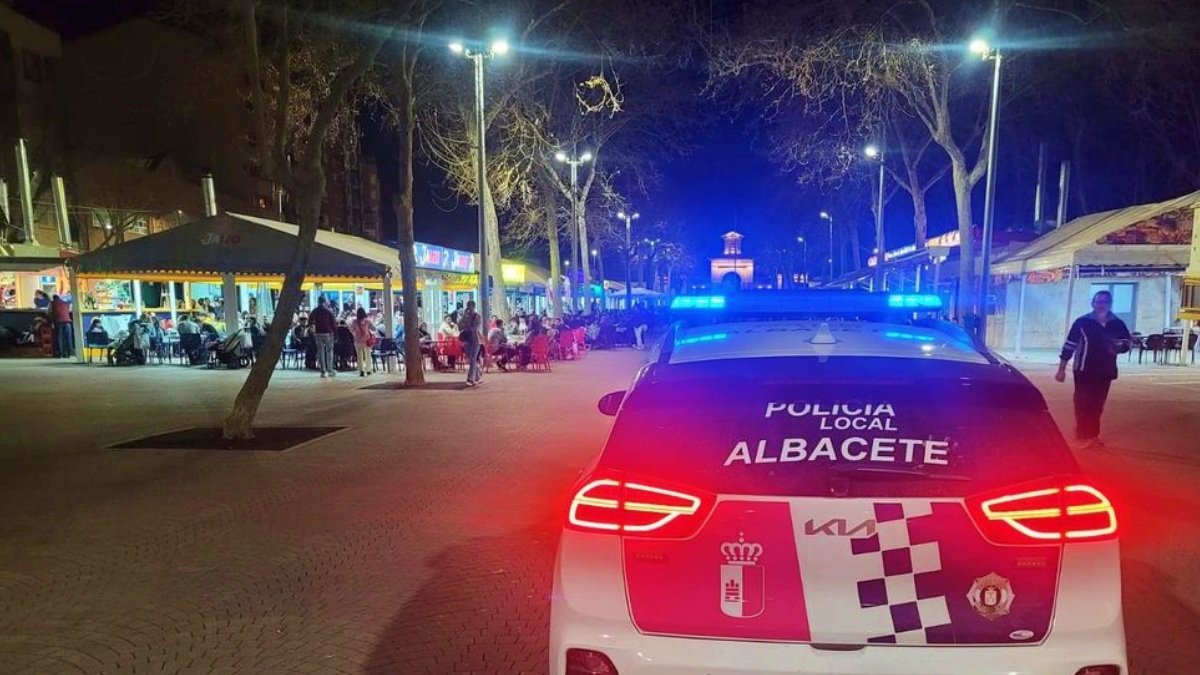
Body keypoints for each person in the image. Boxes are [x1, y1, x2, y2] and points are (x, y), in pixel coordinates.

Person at [1055, 290, 1132, 449]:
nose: (1101, 305)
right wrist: (1061, 369)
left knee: (1098, 404)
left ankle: (1093, 435)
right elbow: (1070, 345)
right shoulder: (1083, 322)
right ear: (1093, 303)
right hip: (1084, 369)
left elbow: (1127, 343)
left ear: (1110, 304)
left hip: (1105, 371)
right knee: (1083, 402)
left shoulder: (1117, 323)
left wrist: (1118, 347)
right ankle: (1083, 434)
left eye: (1105, 302)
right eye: (1098, 302)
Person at [458, 299, 484, 386]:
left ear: (474, 307)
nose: (469, 308)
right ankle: (478, 374)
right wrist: (464, 317)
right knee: (471, 360)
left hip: (475, 340)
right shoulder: (465, 317)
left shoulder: (477, 316)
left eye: (471, 306)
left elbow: (474, 328)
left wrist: (467, 323)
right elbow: (459, 327)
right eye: (468, 306)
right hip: (466, 340)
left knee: (473, 359)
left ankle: (470, 378)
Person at [310, 296, 337, 378]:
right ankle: (330, 370)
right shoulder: (328, 311)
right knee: (329, 351)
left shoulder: (315, 311)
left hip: (318, 333)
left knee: (320, 352)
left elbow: (310, 320)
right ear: (325, 302)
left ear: (318, 301)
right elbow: (333, 324)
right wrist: (335, 335)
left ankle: (323, 371)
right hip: (328, 333)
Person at [349, 307, 376, 377]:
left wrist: (355, 335)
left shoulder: (354, 322)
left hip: (358, 340)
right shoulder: (367, 321)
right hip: (367, 340)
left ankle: (361, 370)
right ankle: (368, 369)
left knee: (359, 356)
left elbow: (351, 330)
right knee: (367, 355)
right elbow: (374, 328)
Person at [49, 294, 73, 358]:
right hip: (67, 321)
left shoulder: (52, 303)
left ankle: (60, 353)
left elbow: (48, 311)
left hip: (58, 321)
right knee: (67, 338)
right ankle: (68, 353)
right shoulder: (65, 302)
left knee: (59, 338)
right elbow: (69, 310)